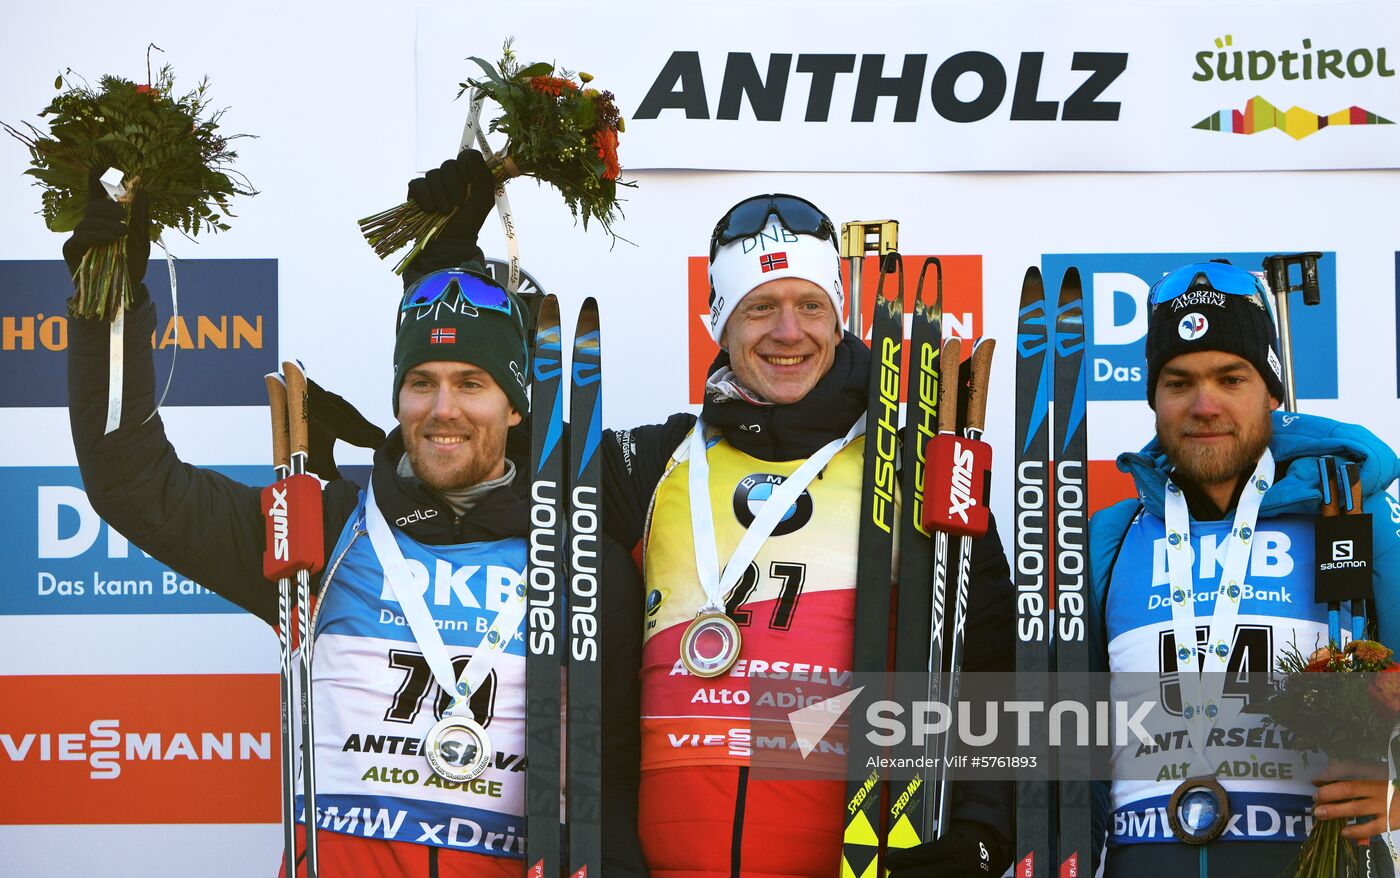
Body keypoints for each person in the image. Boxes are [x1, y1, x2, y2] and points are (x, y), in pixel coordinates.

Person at [327, 161, 1016, 875]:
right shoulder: (654, 465)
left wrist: (981, 836)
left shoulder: (908, 471)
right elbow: (481, 440)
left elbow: (995, 662)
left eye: (810, 305)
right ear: (720, 321)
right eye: (758, 307)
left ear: (839, 318)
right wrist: (449, 263)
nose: (788, 331)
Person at [62, 162, 646, 877]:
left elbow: (610, 801)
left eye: (472, 384)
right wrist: (109, 309)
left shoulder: (582, 564)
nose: (442, 410)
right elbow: (130, 481)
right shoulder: (321, 530)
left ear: (517, 405)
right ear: (398, 396)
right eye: (420, 383)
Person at [1086, 261, 1400, 876]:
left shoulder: (1349, 517)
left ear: (1270, 392)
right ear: (1154, 396)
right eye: (1179, 382)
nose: (1205, 405)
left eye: (1231, 378)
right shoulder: (1111, 535)